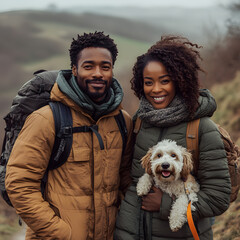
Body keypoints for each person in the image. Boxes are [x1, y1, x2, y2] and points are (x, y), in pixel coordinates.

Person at [5, 31, 133, 240]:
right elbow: (20, 183)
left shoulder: (122, 121)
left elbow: (126, 179)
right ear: (74, 70)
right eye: (88, 66)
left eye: (105, 67)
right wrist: (60, 233)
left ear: (112, 71)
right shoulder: (46, 119)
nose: (98, 73)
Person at [114, 36, 231, 240]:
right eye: (148, 82)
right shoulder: (140, 121)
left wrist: (164, 204)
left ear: (179, 80)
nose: (156, 89)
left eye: (165, 81)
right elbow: (128, 174)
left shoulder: (202, 127)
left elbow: (218, 198)